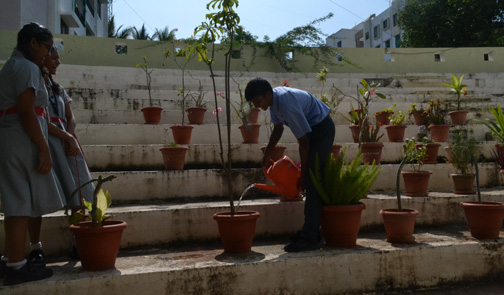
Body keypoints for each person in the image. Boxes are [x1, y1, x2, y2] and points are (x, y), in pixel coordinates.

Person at [0, 22, 65, 286]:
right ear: (32, 44)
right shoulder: (27, 68)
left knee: (18, 203)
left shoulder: (11, 66)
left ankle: (10, 260)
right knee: (19, 205)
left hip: (12, 137)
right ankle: (16, 266)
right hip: (21, 140)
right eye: (46, 48)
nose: (47, 54)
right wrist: (43, 147)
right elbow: (27, 111)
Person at [245, 78, 335, 252]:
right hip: (313, 128)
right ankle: (311, 231)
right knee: (311, 180)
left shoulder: (286, 103)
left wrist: (303, 173)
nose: (256, 107)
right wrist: (267, 154)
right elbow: (278, 129)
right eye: (253, 103)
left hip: (321, 128)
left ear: (267, 94)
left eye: (258, 102)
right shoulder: (274, 102)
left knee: (312, 180)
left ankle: (310, 238)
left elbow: (304, 142)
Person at [43, 46, 94, 213]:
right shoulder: (36, 86)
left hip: (67, 140)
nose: (58, 62)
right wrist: (66, 137)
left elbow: (71, 118)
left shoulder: (59, 89)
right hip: (49, 138)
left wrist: (69, 138)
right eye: (54, 58)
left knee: (79, 182)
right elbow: (41, 120)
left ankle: (78, 230)